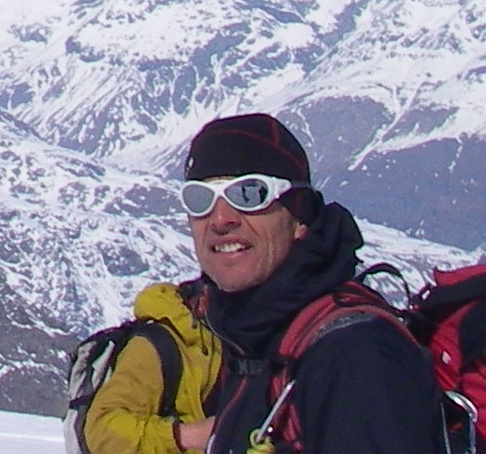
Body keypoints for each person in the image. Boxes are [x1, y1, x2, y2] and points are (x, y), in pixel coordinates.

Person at [178, 112, 444, 454]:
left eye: (249, 194)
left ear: (299, 217)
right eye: (199, 198)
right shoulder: (252, 345)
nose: (221, 219)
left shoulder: (354, 355)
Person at [77, 271, 220, 454]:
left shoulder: (239, 345)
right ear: (203, 296)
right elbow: (103, 429)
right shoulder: (158, 344)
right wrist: (185, 436)